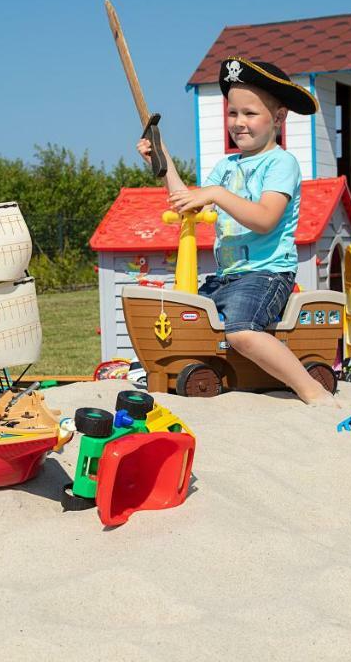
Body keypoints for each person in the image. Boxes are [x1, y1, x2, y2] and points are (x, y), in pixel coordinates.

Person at [138, 57, 337, 407]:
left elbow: (264, 219)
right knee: (188, 324)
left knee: (242, 331)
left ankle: (311, 390)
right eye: (233, 114)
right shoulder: (226, 167)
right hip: (226, 277)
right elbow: (191, 203)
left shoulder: (281, 163)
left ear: (278, 118)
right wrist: (161, 156)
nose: (239, 123)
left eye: (249, 114)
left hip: (266, 274)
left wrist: (215, 193)